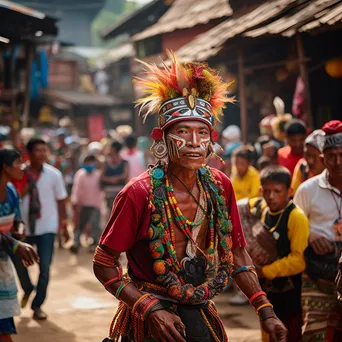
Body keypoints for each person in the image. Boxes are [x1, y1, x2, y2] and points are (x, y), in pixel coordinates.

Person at [93, 52, 287, 342]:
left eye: (202, 133)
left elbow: (236, 253)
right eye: (183, 131)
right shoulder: (138, 193)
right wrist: (148, 308)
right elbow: (103, 261)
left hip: (199, 313)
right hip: (150, 321)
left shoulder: (220, 186)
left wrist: (265, 310)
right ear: (163, 137)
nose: (195, 143)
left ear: (212, 140)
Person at [294, 120, 342, 341]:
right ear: (323, 159)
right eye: (332, 156)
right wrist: (310, 235)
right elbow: (292, 228)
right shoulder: (307, 190)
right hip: (317, 276)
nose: (338, 161)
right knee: (315, 335)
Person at [10, 138, 68, 321]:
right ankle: (27, 288)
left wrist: (63, 225)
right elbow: (10, 197)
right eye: (38, 150)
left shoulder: (54, 175)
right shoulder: (18, 174)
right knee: (19, 262)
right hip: (22, 228)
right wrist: (24, 191)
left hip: (47, 227)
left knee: (45, 269)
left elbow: (61, 201)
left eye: (45, 150)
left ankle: (37, 305)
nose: (42, 153)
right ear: (29, 153)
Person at [252, 166, 309, 342]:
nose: (271, 196)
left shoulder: (296, 217)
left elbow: (299, 260)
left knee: (290, 333)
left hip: (291, 293)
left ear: (289, 191)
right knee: (269, 332)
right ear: (261, 191)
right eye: (267, 191)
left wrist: (265, 271)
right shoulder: (263, 210)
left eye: (277, 191)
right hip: (269, 291)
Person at [0, 148, 39, 342]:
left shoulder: (11, 191)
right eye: (18, 163)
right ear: (5, 167)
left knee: (4, 325)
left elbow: (17, 219)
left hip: (2, 265)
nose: (22, 167)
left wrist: (20, 229)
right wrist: (16, 245)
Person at [71, 155, 103, 254]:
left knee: (95, 225)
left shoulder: (98, 175)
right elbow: (76, 189)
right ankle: (76, 243)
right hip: (82, 204)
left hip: (95, 204)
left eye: (91, 162)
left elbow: (101, 190)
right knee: (80, 224)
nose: (89, 165)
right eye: (87, 163)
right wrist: (75, 202)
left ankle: (93, 244)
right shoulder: (80, 174)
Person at [291, 129, 325, 194]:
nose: (310, 161)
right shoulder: (302, 167)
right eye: (307, 155)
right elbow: (295, 194)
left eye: (314, 156)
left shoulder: (335, 174)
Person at [101, 141, 129, 212]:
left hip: (119, 192)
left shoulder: (124, 162)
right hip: (110, 193)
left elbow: (125, 176)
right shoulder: (106, 162)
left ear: (113, 149)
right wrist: (113, 179)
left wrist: (111, 179)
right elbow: (101, 177)